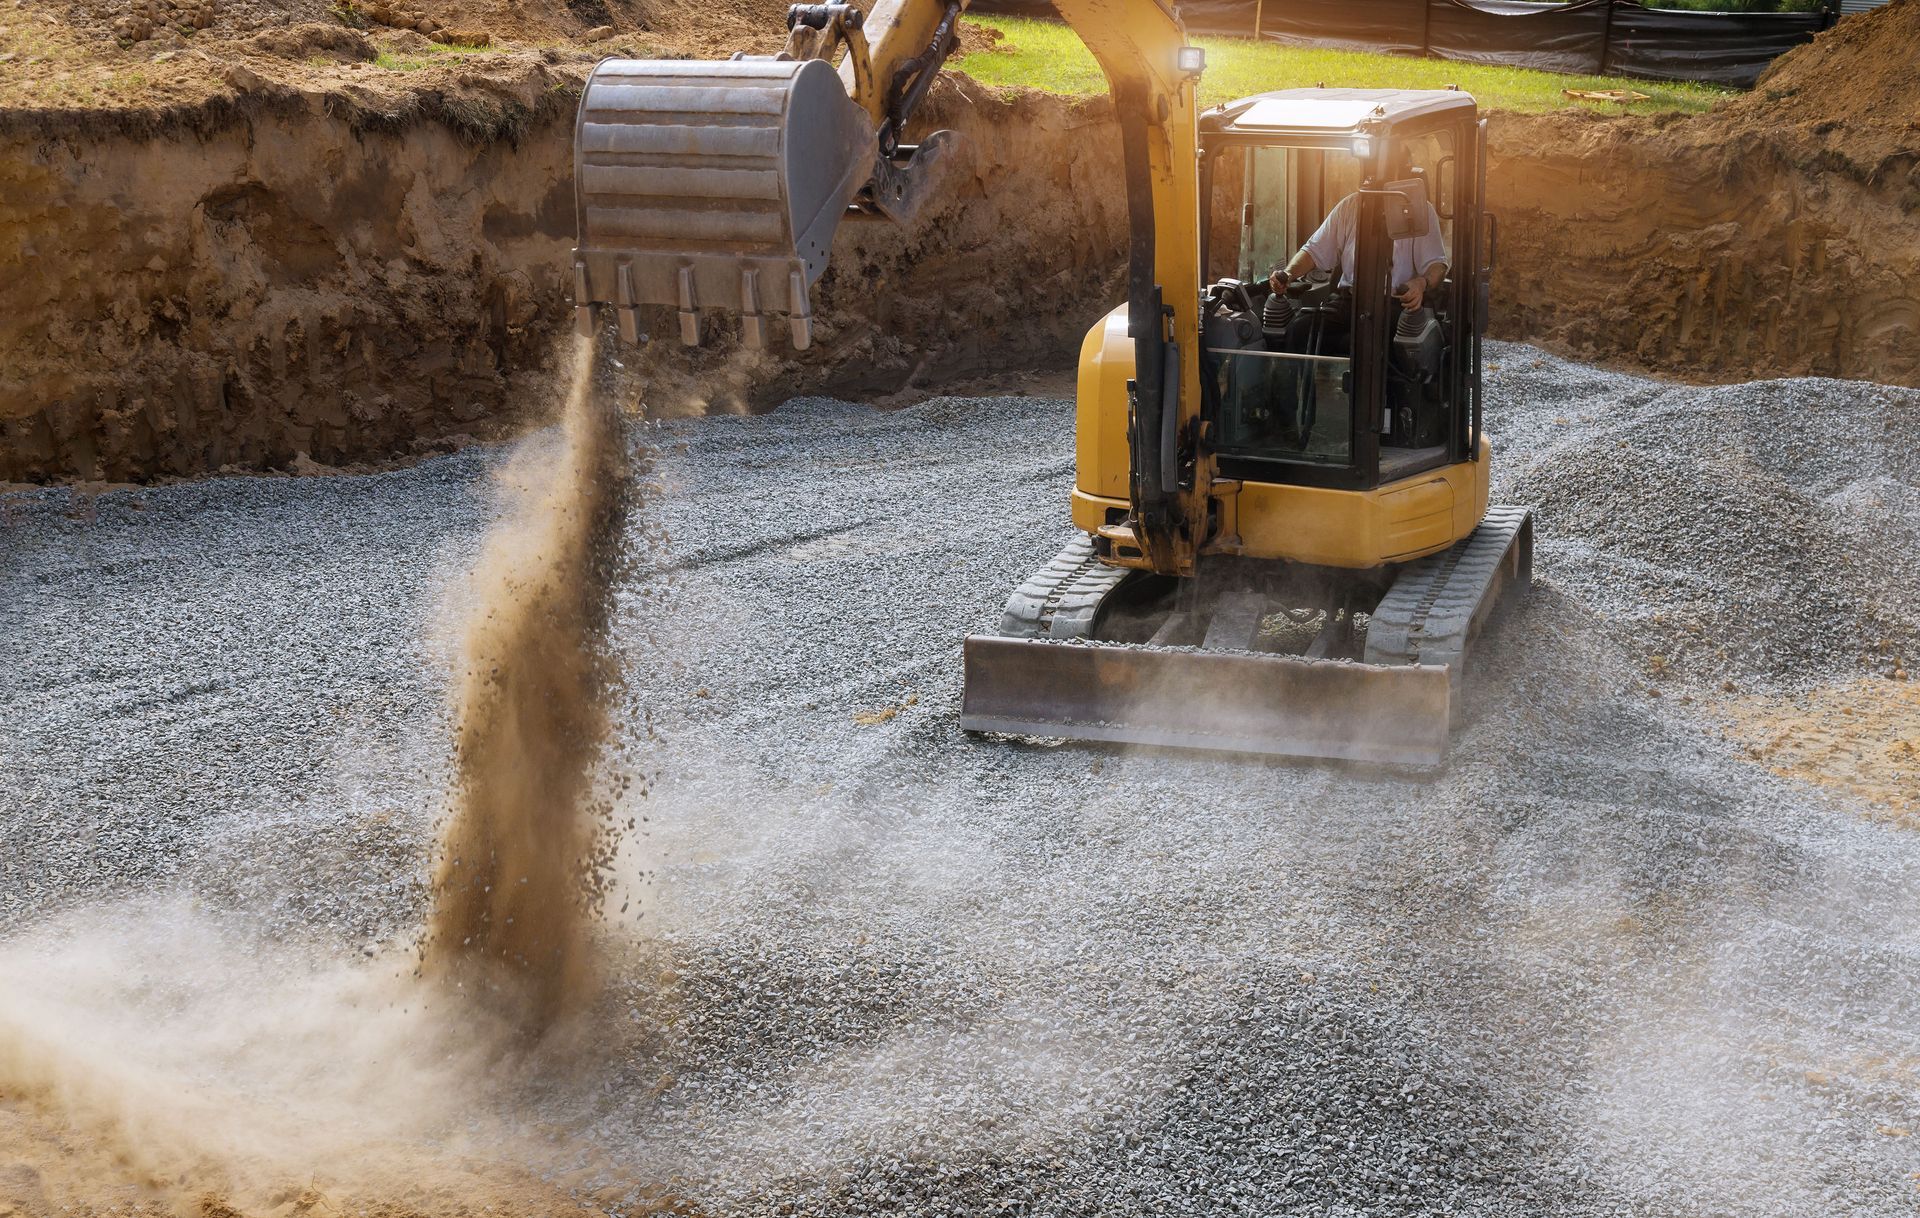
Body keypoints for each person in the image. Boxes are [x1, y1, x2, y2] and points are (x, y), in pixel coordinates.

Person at [1266, 180, 1448, 357]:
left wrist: (1421, 283)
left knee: (1387, 350)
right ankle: (1302, 388)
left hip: (1395, 304)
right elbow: (1313, 251)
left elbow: (1437, 265)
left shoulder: (1420, 211)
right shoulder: (1350, 206)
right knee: (1299, 330)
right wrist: (1289, 274)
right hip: (1349, 302)